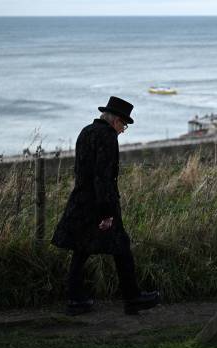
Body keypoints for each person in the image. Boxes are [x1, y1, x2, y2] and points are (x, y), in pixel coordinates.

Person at [51, 96, 160, 316]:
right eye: (124, 125)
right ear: (115, 121)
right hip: (99, 203)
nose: (123, 130)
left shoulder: (86, 131)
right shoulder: (108, 136)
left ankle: (75, 299)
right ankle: (132, 298)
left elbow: (83, 171)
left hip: (80, 200)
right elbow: (103, 176)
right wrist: (106, 212)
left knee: (81, 250)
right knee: (121, 248)